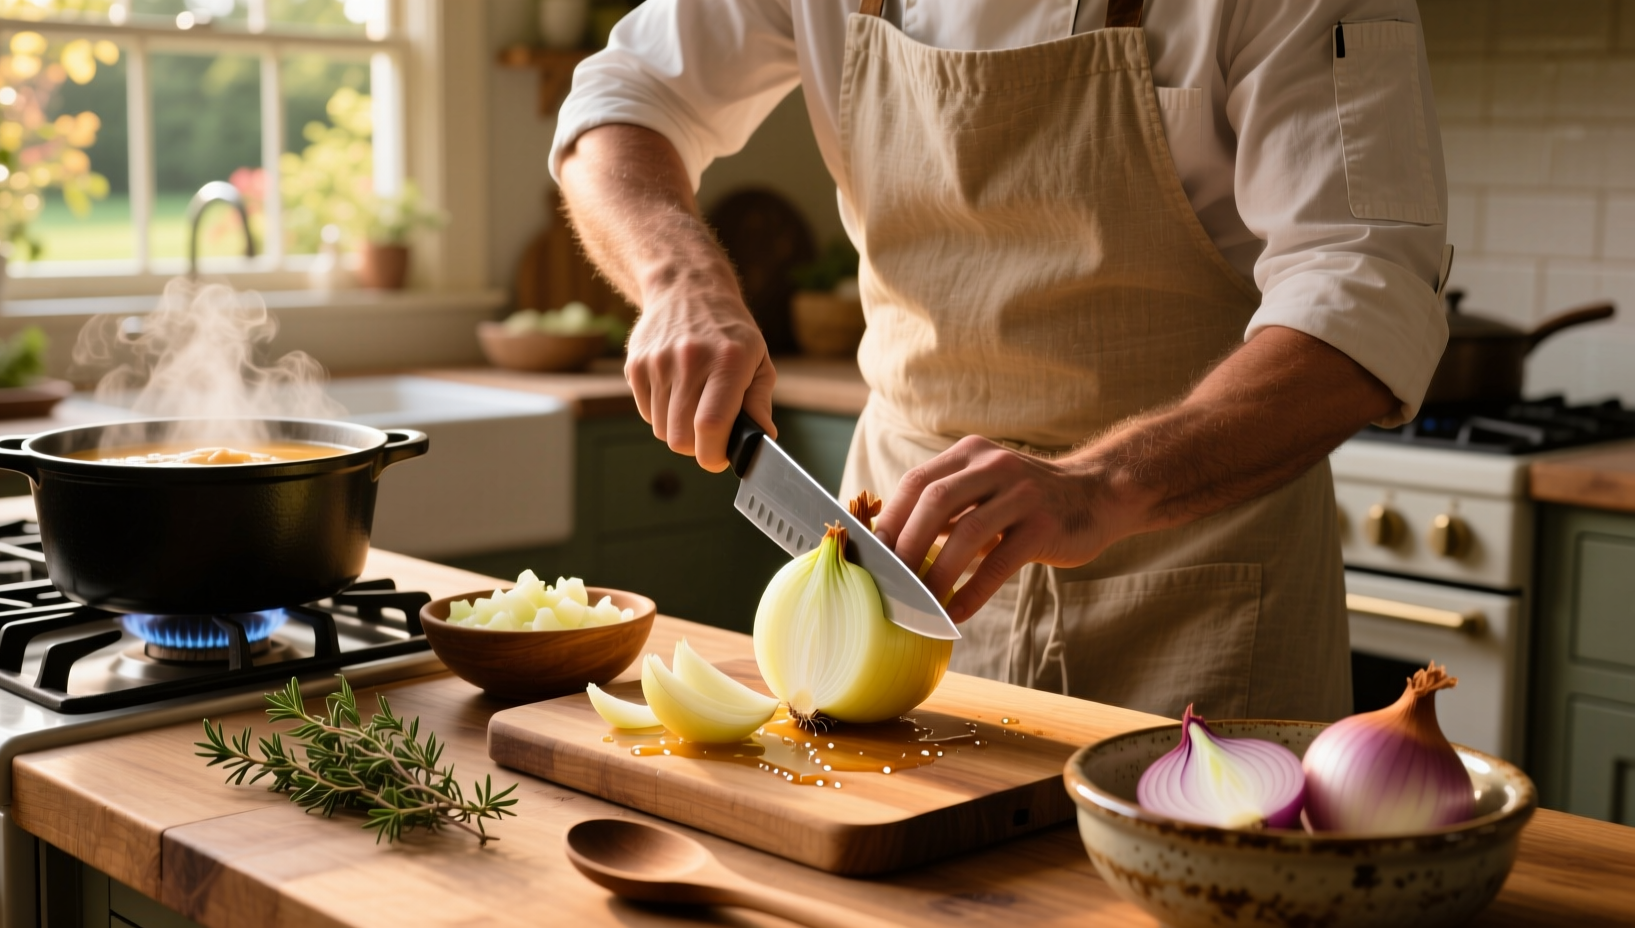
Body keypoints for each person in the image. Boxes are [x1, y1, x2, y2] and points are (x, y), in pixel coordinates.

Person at [552, 0, 1448, 721]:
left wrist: (1101, 485)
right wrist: (678, 277)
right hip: (903, 566)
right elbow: (625, 97)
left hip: (1197, 587)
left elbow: (1367, 292)